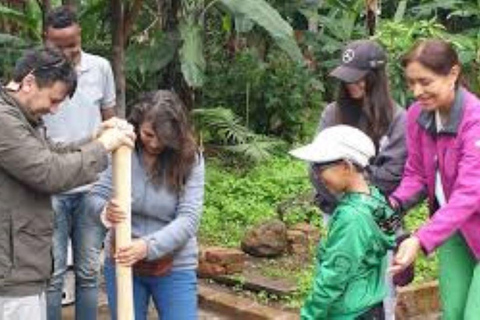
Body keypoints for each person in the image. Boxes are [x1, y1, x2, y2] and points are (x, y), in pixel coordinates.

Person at [0, 47, 133, 320]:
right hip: (11, 272)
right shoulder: (4, 120)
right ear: (28, 83)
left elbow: (52, 154)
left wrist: (95, 138)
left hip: (23, 264)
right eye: (53, 99)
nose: (54, 109)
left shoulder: (21, 118)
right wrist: (101, 148)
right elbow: (49, 172)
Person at [87, 90, 204, 320]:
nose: (155, 143)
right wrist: (105, 210)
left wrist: (147, 247)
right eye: (148, 134)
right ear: (138, 124)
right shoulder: (121, 150)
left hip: (174, 264)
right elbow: (94, 196)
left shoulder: (190, 159)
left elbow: (189, 220)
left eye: (164, 138)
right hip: (122, 261)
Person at [312, 39, 407, 319]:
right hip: (335, 214)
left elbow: (392, 176)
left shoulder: (397, 118)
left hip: (379, 217)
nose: (352, 85)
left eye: (360, 79)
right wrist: (353, 193)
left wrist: (356, 193)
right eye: (347, 79)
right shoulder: (333, 113)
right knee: (335, 279)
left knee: (380, 292)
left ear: (376, 78)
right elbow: (317, 169)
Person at [389, 39, 480, 320]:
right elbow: (416, 174)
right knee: (452, 312)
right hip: (455, 228)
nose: (417, 92)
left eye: (425, 82)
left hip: (466, 214)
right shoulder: (418, 115)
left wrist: (420, 238)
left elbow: (469, 193)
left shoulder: (475, 120)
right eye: (411, 83)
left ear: (453, 74)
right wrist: (391, 204)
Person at [39, 6, 117, 320]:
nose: (68, 52)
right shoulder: (35, 76)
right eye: (59, 46)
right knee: (54, 274)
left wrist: (111, 180)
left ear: (80, 34)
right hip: (52, 187)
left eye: (73, 44)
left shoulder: (101, 68)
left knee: (87, 273)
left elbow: (110, 122)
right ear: (46, 40)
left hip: (92, 188)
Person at [290, 125, 397, 320]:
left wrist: (309, 315)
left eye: (320, 167)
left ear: (346, 166)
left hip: (349, 313)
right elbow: (393, 231)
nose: (317, 175)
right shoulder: (375, 198)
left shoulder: (352, 218)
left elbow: (334, 275)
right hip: (371, 306)